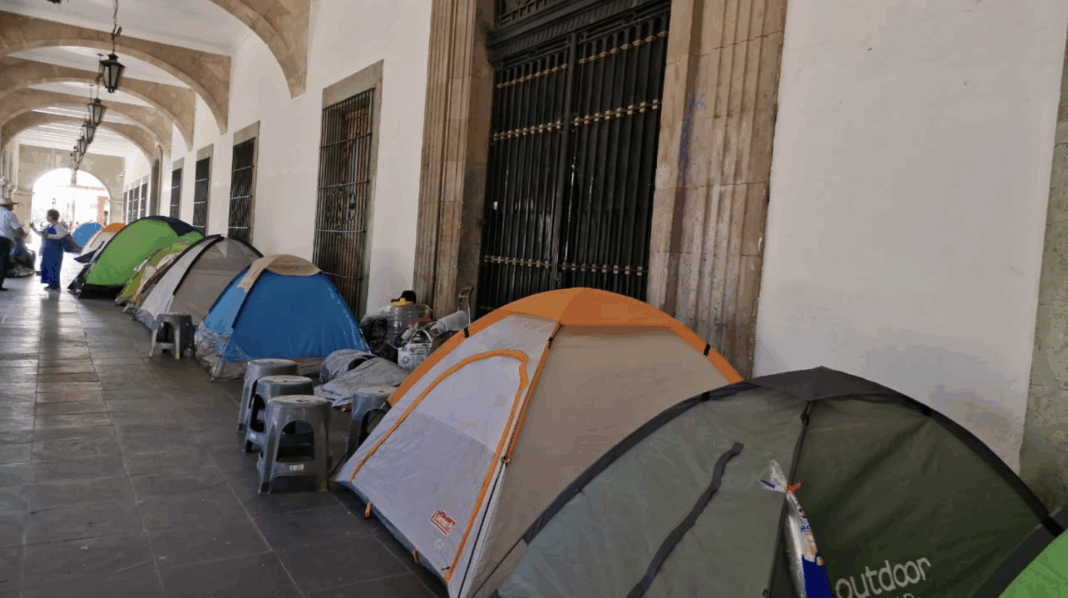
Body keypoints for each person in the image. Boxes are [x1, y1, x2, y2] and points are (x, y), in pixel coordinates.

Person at [30, 209, 66, 291]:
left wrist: (49, 235)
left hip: (55, 250)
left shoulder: (59, 226)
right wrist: (33, 228)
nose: (46, 217)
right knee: (46, 266)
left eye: (47, 215)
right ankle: (50, 283)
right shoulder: (48, 226)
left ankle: (55, 284)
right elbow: (41, 234)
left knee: (54, 267)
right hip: (47, 250)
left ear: (51, 216)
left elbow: (60, 235)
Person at [0, 198, 22, 292]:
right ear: (8, 205)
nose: (13, 206)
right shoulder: (10, 214)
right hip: (4, 240)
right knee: (2, 262)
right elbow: (17, 228)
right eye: (12, 204)